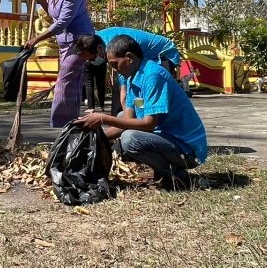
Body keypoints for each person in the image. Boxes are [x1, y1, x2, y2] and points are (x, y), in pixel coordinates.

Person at [74, 34, 208, 191]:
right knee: (121, 117)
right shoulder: (133, 78)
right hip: (168, 138)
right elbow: (128, 119)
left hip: (188, 149)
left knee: (130, 139)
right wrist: (93, 138)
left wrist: (103, 119)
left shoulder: (153, 76)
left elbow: (148, 124)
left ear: (129, 58)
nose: (114, 69)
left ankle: (179, 175)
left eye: (115, 64)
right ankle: (163, 170)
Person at [25, 0, 94, 128]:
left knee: (65, 80)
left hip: (81, 43)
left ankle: (60, 124)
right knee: (73, 83)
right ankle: (72, 122)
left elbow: (62, 22)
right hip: (64, 43)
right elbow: (54, 13)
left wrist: (36, 39)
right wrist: (41, 0)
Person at [71, 28, 181, 116]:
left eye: (91, 59)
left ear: (99, 49)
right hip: (142, 56)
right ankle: (121, 124)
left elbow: (125, 90)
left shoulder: (113, 47)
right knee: (120, 91)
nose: (90, 63)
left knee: (141, 90)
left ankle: (148, 122)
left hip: (162, 54)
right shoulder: (94, 40)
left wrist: (128, 121)